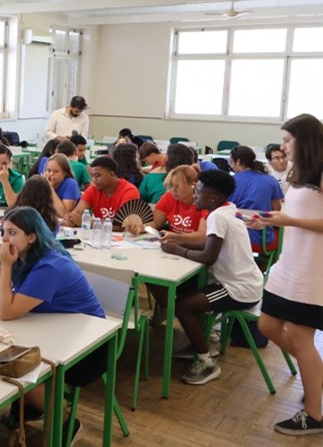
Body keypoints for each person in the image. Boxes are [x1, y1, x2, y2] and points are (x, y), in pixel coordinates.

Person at [0, 207, 104, 437]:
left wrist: (7, 266)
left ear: (31, 237)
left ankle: (67, 421)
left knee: (12, 368)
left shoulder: (49, 266)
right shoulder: (26, 254)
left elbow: (8, 311)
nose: (4, 238)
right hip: (53, 331)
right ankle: (32, 404)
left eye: (12, 233)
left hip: (89, 350)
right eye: (3, 231)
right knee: (1, 357)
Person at [249, 114, 323, 435]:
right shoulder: (299, 173)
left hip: (311, 269)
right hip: (289, 264)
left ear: (304, 141)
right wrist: (270, 219)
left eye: (287, 140)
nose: (283, 146)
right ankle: (316, 374)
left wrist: (288, 222)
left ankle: (315, 416)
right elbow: (297, 213)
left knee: (299, 336)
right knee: (267, 325)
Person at [160, 170, 263, 386]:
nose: (195, 195)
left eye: (198, 191)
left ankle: (206, 361)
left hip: (238, 288)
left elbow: (208, 256)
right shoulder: (227, 209)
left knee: (183, 306)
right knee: (187, 291)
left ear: (213, 197)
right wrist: (179, 242)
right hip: (247, 282)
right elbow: (210, 244)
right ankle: (202, 340)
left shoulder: (216, 216)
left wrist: (178, 250)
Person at [128, 165, 208, 246]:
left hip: (192, 247)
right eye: (171, 186)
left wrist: (177, 237)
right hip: (173, 244)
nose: (173, 190)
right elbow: (155, 222)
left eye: (177, 186)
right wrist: (140, 228)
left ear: (193, 185)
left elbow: (203, 235)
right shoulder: (169, 197)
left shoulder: (204, 202)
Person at [228, 145, 283, 251]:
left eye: (231, 162)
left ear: (238, 162)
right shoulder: (270, 180)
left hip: (233, 238)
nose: (231, 166)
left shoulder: (230, 181)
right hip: (261, 241)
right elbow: (277, 209)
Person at [63, 157, 141, 228]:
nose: (93, 179)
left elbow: (123, 224)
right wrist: (71, 219)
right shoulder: (93, 189)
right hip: (99, 236)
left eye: (97, 175)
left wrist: (87, 222)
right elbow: (77, 213)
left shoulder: (129, 191)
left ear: (111, 174)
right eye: (92, 176)